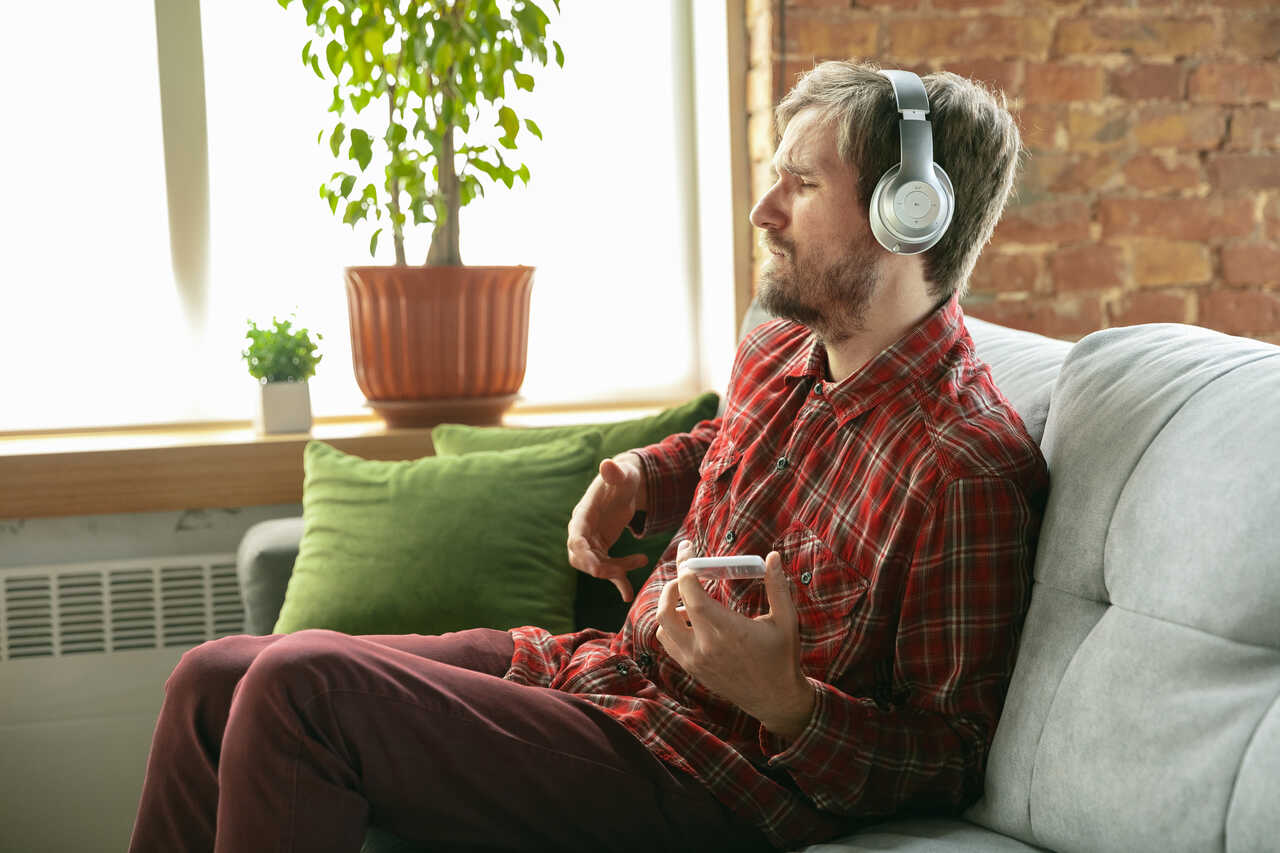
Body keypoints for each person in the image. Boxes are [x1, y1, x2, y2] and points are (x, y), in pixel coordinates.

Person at [129, 60, 1048, 853]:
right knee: (212, 678)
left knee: (303, 689)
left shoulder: (966, 467)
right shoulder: (783, 349)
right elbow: (724, 443)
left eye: (801, 185)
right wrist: (642, 475)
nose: (765, 210)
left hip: (711, 777)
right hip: (609, 677)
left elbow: (952, 752)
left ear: (910, 215)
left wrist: (792, 706)